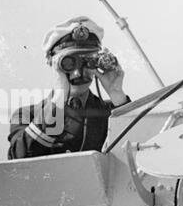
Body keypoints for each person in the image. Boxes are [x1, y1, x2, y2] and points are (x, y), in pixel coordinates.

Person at [8, 16, 130, 158]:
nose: (78, 73)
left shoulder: (111, 114)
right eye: (68, 64)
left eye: (88, 62)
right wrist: (58, 101)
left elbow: (139, 152)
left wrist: (118, 96)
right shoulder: (26, 115)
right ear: (52, 64)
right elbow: (18, 157)